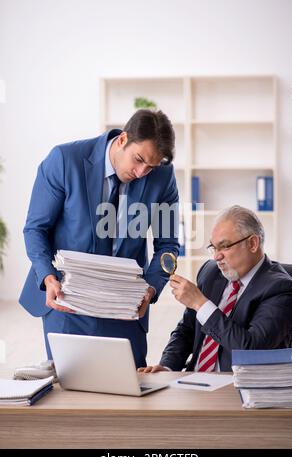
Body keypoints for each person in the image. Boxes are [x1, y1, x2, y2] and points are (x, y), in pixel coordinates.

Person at [19, 109, 179, 368]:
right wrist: (47, 276)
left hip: (126, 305)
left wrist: (150, 288)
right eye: (138, 160)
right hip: (67, 298)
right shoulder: (64, 160)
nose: (141, 172)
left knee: (129, 388)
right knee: (70, 391)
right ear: (123, 139)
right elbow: (35, 229)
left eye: (150, 166)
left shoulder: (163, 177)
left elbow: (168, 248)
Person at [138, 205, 292, 373]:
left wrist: (201, 304)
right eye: (214, 248)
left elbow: (252, 349)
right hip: (192, 382)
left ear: (253, 243)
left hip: (237, 390)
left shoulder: (282, 289)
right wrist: (167, 367)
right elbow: (186, 330)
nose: (216, 256)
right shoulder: (210, 272)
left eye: (225, 246)